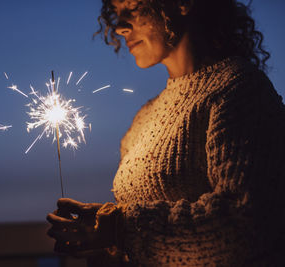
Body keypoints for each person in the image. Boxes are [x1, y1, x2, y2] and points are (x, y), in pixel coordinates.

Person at [47, 0, 285, 266]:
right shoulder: (143, 119)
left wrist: (117, 228)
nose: (120, 27)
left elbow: (244, 221)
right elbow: (148, 243)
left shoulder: (238, 90)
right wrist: (102, 240)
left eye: (132, 8)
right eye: (115, 14)